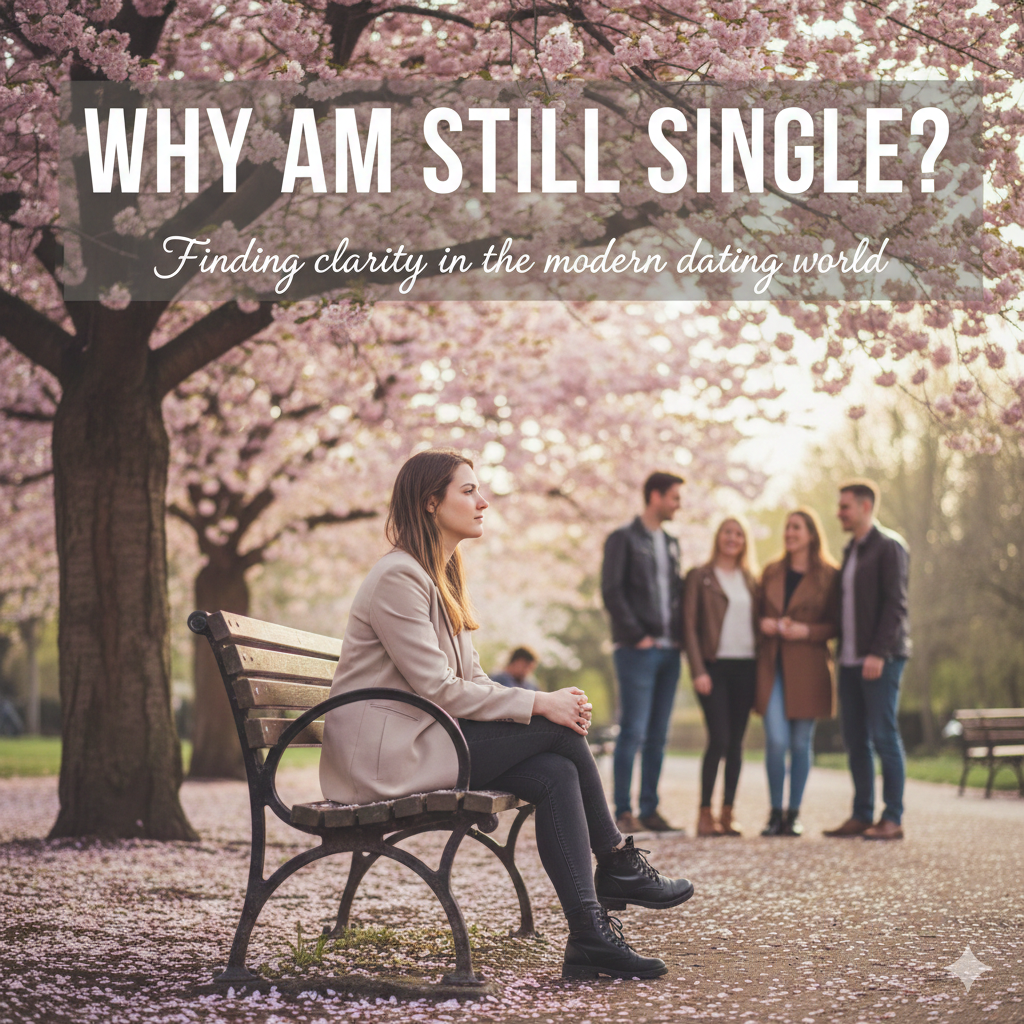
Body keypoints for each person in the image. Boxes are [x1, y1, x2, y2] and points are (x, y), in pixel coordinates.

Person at [320, 448, 693, 980]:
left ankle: (589, 936)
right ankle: (614, 860)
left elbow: (469, 681)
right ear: (431, 502)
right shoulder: (399, 578)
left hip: (421, 739)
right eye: (468, 491)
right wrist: (541, 704)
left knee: (556, 770)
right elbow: (438, 688)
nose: (483, 501)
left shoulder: (437, 576)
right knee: (559, 735)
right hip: (385, 759)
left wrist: (540, 706)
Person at [824, 480, 911, 841]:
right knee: (855, 738)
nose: (839, 512)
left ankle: (892, 817)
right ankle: (862, 814)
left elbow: (896, 605)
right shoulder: (852, 550)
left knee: (883, 735)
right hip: (848, 660)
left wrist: (877, 652)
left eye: (845, 506)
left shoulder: (889, 546)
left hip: (881, 658)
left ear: (865, 506)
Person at [601, 471, 685, 834]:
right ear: (654, 496)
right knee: (632, 730)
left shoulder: (671, 542)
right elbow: (612, 591)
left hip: (671, 651)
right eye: (674, 497)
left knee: (659, 733)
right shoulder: (623, 538)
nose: (678, 504)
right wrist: (637, 636)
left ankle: (650, 809)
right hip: (637, 650)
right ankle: (623, 810)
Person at [756, 508, 839, 837]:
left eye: (797, 528)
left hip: (809, 666)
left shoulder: (829, 575)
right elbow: (756, 614)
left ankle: (794, 814)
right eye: (787, 527)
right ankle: (775, 812)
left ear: (811, 534)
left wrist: (805, 631)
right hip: (773, 664)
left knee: (801, 742)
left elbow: (836, 624)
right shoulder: (771, 571)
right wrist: (764, 624)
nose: (789, 533)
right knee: (776, 740)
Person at [683, 517, 759, 837]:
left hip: (747, 666)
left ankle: (728, 813)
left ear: (745, 541)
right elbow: (688, 626)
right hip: (714, 668)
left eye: (739, 534)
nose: (733, 538)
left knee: (737, 743)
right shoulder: (700, 577)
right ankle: (704, 814)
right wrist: (698, 670)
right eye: (728, 532)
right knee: (719, 739)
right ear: (718, 537)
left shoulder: (751, 579)